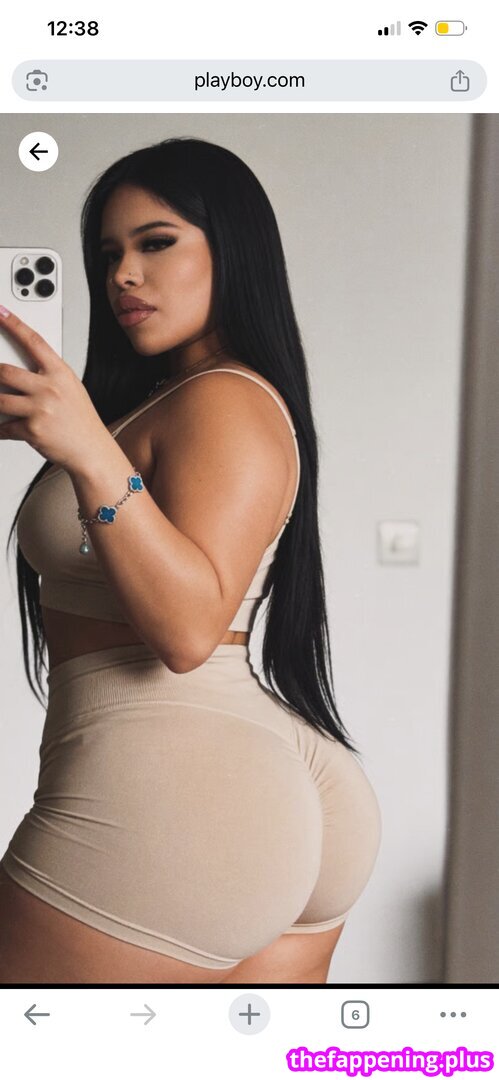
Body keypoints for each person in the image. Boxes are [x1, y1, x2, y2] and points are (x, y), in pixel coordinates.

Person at [0, 136, 381, 985]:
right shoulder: (168, 402)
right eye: (108, 254)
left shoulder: (223, 399)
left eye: (156, 242)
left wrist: (89, 452)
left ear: (231, 247)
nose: (123, 275)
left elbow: (186, 629)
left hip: (173, 796)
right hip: (228, 787)